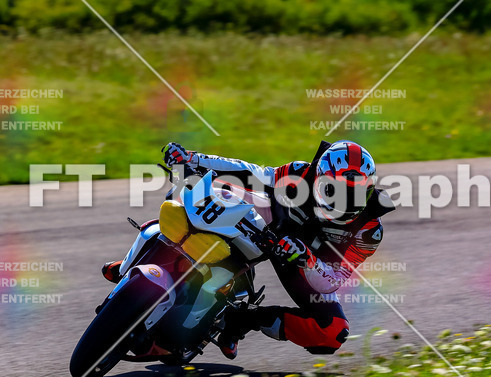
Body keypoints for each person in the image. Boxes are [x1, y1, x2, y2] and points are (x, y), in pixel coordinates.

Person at [150, 139, 393, 359]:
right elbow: (251, 172)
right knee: (197, 192)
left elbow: (333, 281)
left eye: (355, 195)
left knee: (332, 332)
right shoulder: (300, 173)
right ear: (319, 179)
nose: (344, 204)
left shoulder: (369, 231)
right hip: (269, 229)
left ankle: (242, 320)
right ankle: (149, 253)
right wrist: (192, 159)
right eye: (334, 191)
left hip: (308, 267)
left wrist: (305, 257)